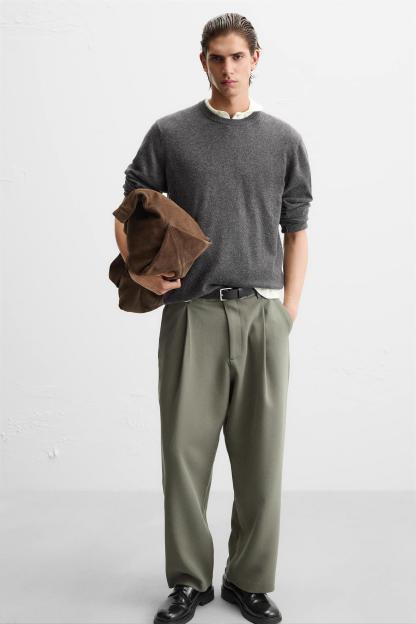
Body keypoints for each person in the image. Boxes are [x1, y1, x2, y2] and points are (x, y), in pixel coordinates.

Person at [114, 12, 313, 624]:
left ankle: (249, 581)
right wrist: (144, 275)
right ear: (202, 61)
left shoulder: (283, 139)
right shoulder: (171, 133)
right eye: (216, 57)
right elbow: (129, 209)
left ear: (257, 58)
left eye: (237, 56)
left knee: (261, 461)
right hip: (191, 315)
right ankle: (188, 582)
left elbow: (296, 230)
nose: (228, 68)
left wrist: (287, 313)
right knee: (184, 456)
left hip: (261, 315)